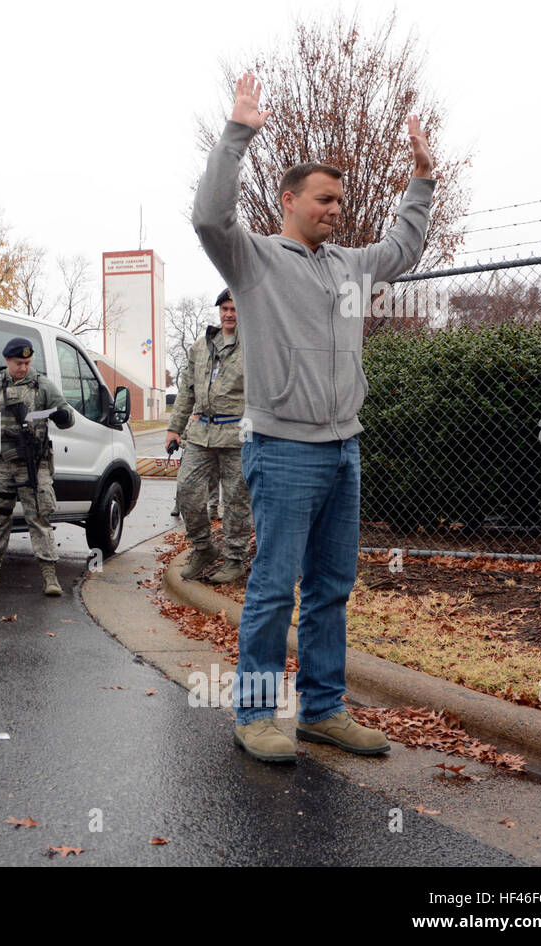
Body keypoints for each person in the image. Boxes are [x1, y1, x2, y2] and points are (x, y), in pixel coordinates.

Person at [193, 73, 434, 762]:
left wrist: (421, 182)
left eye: (340, 200)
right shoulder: (255, 261)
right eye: (325, 200)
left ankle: (323, 711)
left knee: (332, 588)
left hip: (343, 450)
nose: (336, 210)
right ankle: (256, 714)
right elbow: (210, 218)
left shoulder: (349, 268)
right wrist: (238, 132)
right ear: (290, 200)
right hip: (284, 450)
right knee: (273, 588)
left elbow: (404, 248)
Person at [0, 337, 75, 596]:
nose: (23, 368)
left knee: (39, 517)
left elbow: (68, 417)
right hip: (1, 463)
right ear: (6, 361)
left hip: (33, 464)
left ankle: (49, 577)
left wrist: (61, 415)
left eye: (27, 362)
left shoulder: (42, 386)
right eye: (18, 363)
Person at [165, 289, 251, 583]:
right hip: (201, 433)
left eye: (234, 309)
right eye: (225, 308)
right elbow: (186, 390)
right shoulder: (201, 347)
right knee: (187, 489)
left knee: (237, 500)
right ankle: (203, 548)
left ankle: (234, 559)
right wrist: (174, 428)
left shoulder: (253, 345)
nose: (229, 314)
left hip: (238, 434)